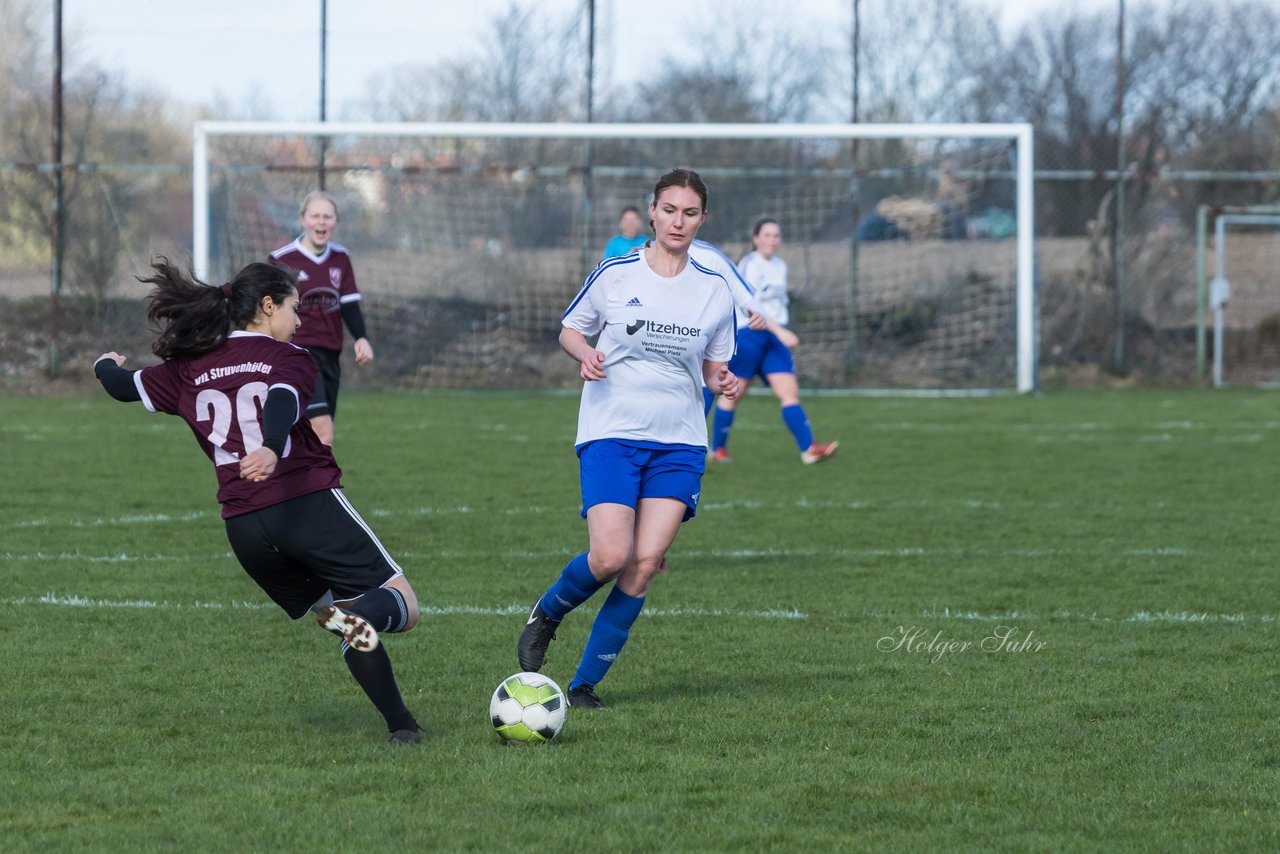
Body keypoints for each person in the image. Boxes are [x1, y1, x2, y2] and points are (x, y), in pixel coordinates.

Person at [94, 258, 424, 745]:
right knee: (404, 606)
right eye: (294, 308)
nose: (300, 319)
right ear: (268, 306)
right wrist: (271, 446)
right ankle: (387, 681)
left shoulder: (188, 367)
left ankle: (403, 727)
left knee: (338, 618)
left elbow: (121, 387)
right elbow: (283, 401)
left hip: (245, 529)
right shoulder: (287, 356)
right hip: (304, 504)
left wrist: (105, 364)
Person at [517, 168, 741, 710]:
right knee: (612, 554)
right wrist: (585, 353)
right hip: (612, 430)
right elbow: (572, 329)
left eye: (690, 213)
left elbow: (714, 368)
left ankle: (583, 685)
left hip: (681, 441)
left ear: (702, 219)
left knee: (644, 563)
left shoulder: (715, 291)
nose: (678, 221)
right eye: (669, 210)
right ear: (653, 212)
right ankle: (547, 612)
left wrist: (723, 381)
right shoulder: (618, 272)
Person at [703, 218, 838, 465]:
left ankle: (808, 449)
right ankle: (717, 449)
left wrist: (778, 330)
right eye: (767, 235)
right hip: (750, 336)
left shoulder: (780, 266)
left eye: (776, 235)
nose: (772, 240)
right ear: (756, 239)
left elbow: (776, 306)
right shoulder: (749, 265)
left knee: (789, 392)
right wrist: (781, 332)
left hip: (773, 338)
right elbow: (753, 308)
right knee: (733, 395)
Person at [269, 191, 373, 446]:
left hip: (329, 354)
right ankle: (323, 486)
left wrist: (361, 337)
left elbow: (348, 303)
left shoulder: (341, 258)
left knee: (308, 437)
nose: (321, 222)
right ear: (303, 220)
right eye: (315, 216)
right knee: (322, 429)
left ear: (335, 221)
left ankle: (295, 483)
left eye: (327, 216)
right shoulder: (282, 260)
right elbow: (267, 309)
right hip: (297, 353)